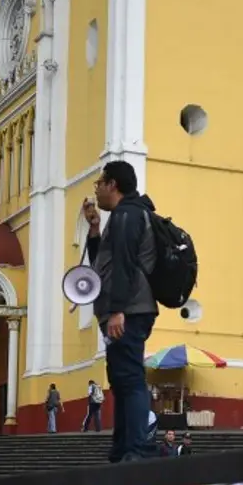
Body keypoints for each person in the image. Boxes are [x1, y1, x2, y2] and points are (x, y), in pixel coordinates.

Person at [84, 160, 159, 462]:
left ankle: (137, 449)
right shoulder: (123, 215)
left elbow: (125, 265)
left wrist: (117, 311)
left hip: (128, 311)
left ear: (112, 184)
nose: (97, 190)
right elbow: (104, 266)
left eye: (99, 183)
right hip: (126, 309)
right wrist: (94, 230)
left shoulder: (128, 214)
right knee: (121, 380)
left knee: (130, 379)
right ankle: (124, 446)